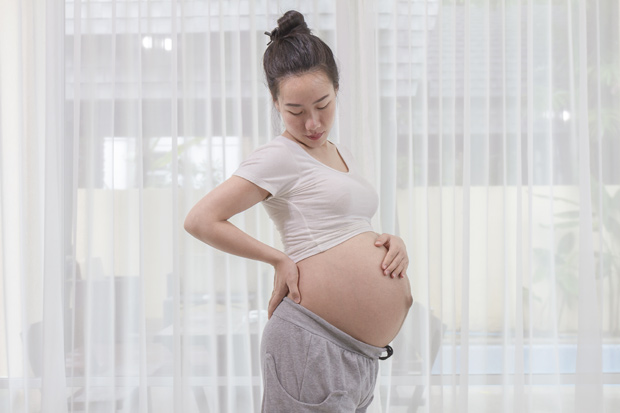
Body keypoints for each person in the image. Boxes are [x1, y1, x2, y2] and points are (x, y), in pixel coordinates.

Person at [184, 10, 412, 412]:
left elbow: (345, 227)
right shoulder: (279, 155)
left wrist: (389, 242)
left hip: (357, 353)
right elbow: (201, 220)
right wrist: (278, 259)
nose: (312, 123)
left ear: (337, 90)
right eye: (294, 111)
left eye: (322, 104)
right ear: (275, 103)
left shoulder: (341, 154)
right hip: (310, 342)